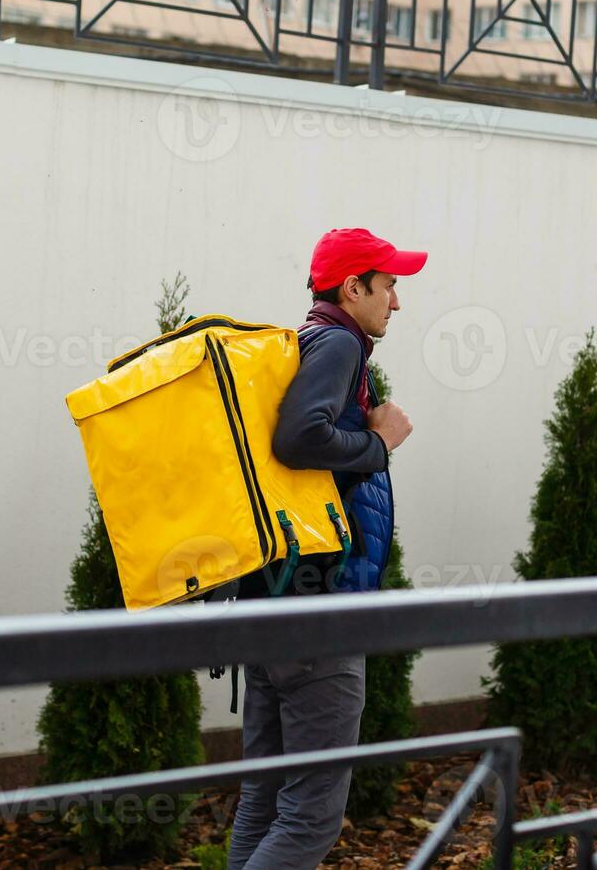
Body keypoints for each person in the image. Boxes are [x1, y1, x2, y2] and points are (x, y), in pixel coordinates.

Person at [228, 227, 426, 870]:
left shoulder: (309, 339)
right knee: (312, 816)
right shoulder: (340, 342)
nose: (396, 300)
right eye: (389, 284)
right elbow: (298, 439)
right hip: (320, 607)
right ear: (353, 286)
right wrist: (379, 443)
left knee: (263, 803)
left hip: (273, 597)